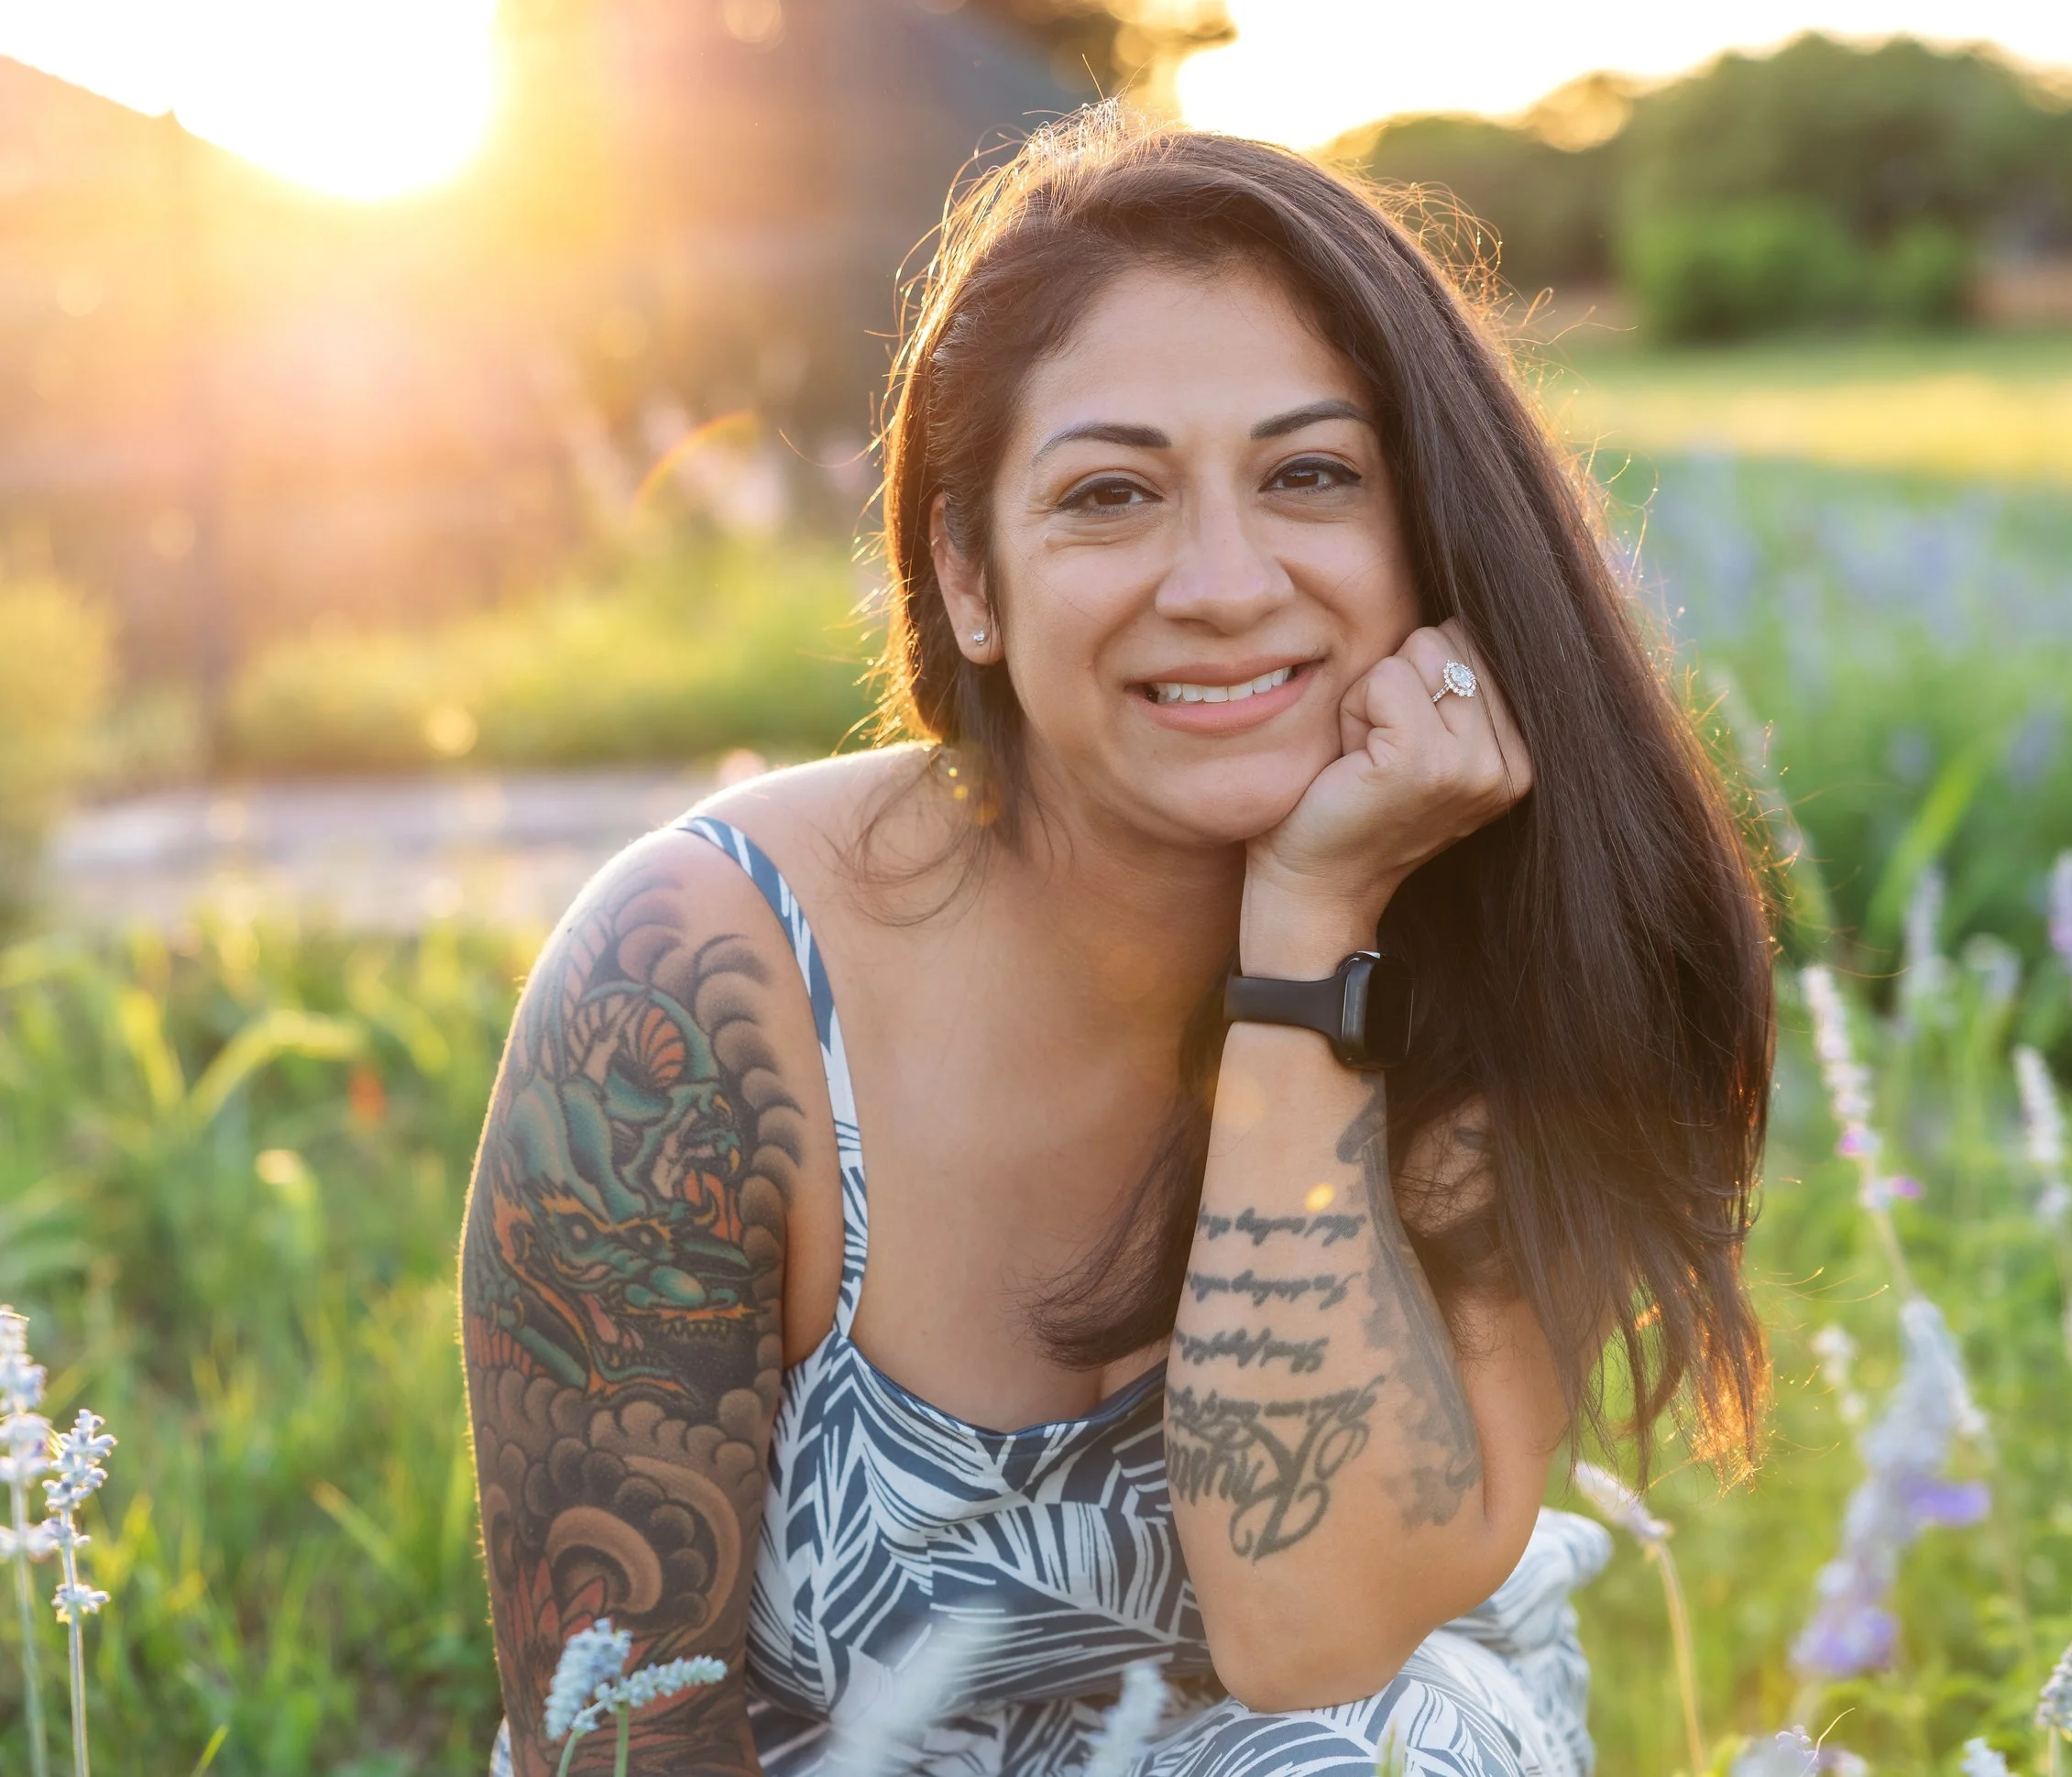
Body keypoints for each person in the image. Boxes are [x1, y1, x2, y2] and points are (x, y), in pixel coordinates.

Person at [466, 107, 1773, 1777]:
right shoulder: (699, 989)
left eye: (1311, 474)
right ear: (969, 577)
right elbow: (611, 1740)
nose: (1224, 581)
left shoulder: (1508, 944)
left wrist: (1308, 946)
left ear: (1431, 535)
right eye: (1110, 494)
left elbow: (1309, 1635)